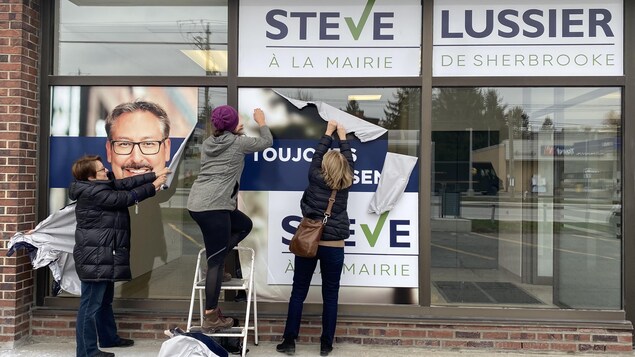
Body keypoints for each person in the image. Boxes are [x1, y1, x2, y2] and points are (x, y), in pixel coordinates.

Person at [70, 155, 169, 357]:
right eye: (100, 170)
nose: (106, 170)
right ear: (90, 178)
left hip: (103, 254)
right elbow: (124, 198)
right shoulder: (93, 193)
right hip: (94, 257)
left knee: (104, 300)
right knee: (90, 306)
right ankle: (86, 352)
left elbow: (125, 183)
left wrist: (152, 175)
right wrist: (154, 185)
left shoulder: (102, 186)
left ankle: (108, 338)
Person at [187, 105, 273, 332]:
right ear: (233, 125)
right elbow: (267, 142)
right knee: (215, 263)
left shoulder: (208, 144)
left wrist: (234, 129)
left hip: (197, 203)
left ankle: (216, 263)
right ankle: (211, 317)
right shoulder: (238, 143)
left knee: (244, 225)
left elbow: (225, 141)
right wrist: (261, 121)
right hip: (215, 206)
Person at [276, 120, 354, 357]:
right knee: (331, 294)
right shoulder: (346, 181)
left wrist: (328, 132)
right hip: (334, 245)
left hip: (309, 241)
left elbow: (317, 155)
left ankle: (289, 341)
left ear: (323, 166)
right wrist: (343, 136)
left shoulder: (314, 175)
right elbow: (349, 159)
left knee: (298, 291)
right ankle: (326, 344)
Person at [104, 100, 175, 299]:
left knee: (140, 287)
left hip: (146, 253)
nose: (136, 158)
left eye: (148, 144)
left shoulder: (161, 189)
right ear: (109, 150)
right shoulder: (98, 194)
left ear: (167, 149)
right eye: (124, 143)